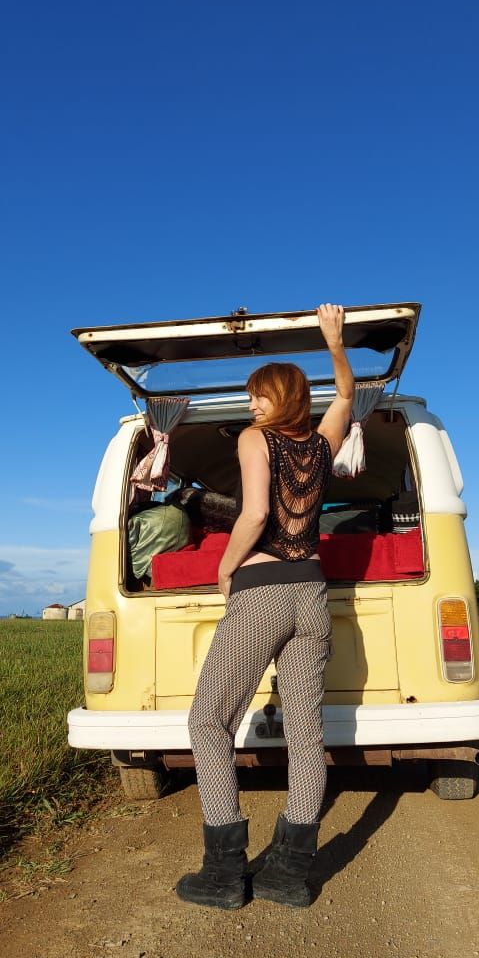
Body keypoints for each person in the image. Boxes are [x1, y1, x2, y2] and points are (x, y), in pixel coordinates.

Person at [176, 304, 355, 910]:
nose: (251, 404)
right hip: (311, 593)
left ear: (282, 399)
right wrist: (335, 343)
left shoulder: (258, 440)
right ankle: (288, 875)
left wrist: (225, 567)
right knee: (305, 735)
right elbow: (346, 397)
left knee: (208, 722)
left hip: (263, 594)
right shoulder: (322, 445)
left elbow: (254, 514)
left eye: (259, 395)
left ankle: (225, 873)